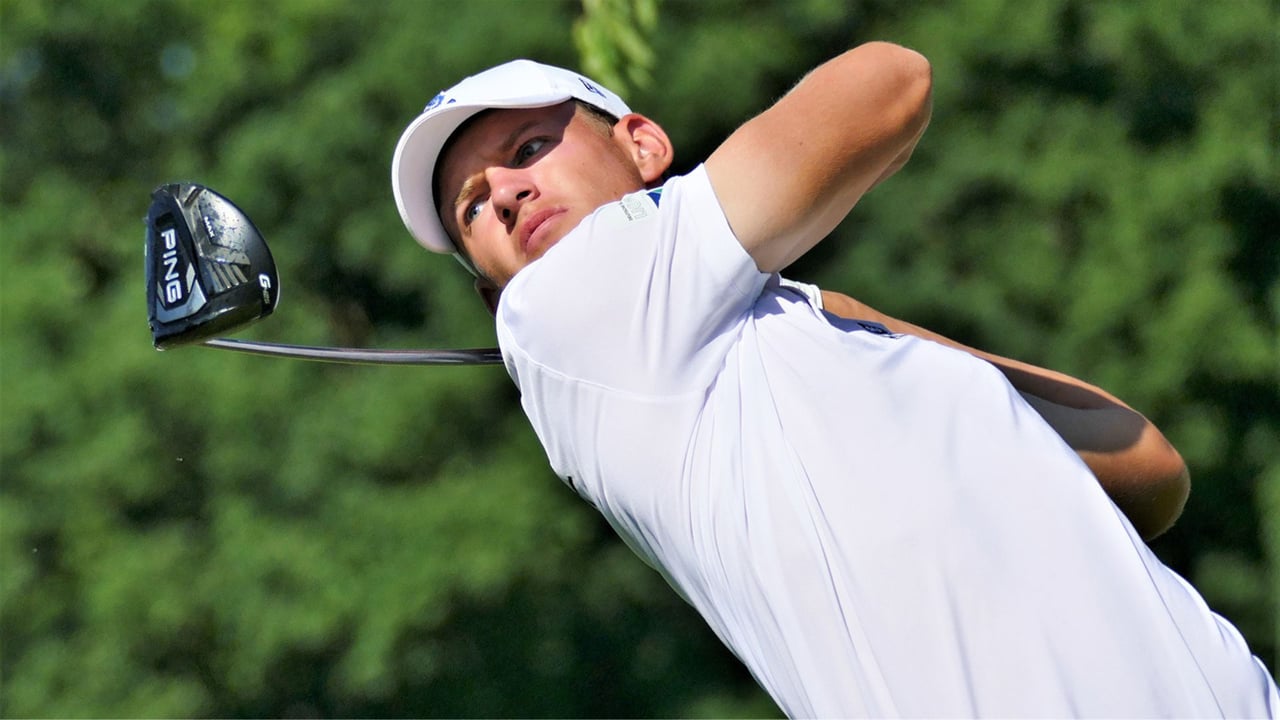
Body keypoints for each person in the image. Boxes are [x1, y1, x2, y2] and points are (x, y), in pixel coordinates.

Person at [391, 45, 1278, 717]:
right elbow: (890, 81)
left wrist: (853, 321)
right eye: (472, 206)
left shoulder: (793, 328)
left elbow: (1144, 466)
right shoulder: (565, 303)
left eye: (531, 145)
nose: (504, 193)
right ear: (490, 293)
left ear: (643, 143)